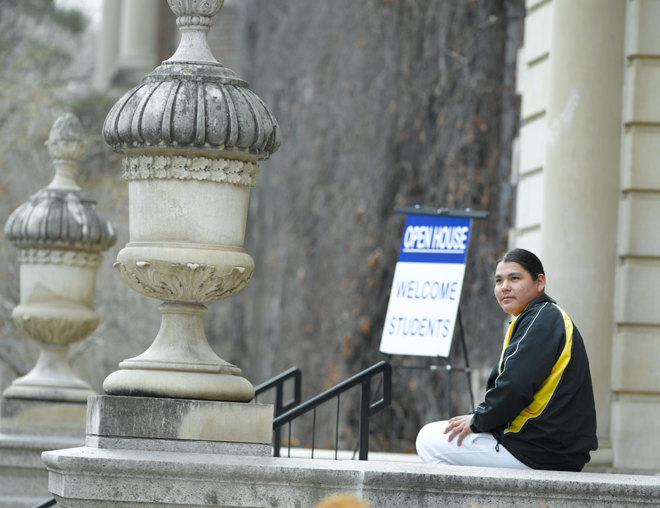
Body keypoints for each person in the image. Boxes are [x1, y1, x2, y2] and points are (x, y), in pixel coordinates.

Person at [416, 248, 598, 471]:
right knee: (441, 435)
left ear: (539, 282)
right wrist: (479, 419)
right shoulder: (537, 317)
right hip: (546, 447)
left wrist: (478, 421)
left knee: (429, 440)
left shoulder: (543, 318)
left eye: (514, 278)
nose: (505, 287)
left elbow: (515, 386)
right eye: (499, 281)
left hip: (539, 450)